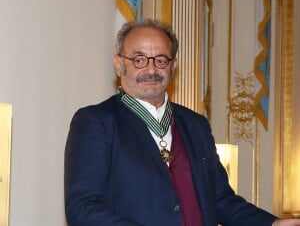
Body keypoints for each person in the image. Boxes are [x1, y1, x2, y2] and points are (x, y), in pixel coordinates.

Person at [64, 19, 300, 226]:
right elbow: (83, 207)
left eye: (160, 60)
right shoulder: (96, 122)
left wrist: (272, 223)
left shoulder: (195, 125)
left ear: (173, 66)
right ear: (119, 64)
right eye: (139, 59)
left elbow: (220, 200)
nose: (151, 69)